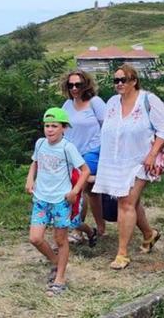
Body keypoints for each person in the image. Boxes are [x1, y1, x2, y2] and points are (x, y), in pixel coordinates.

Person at [93, 64, 164, 270]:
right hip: (114, 160)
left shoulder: (148, 100)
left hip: (140, 160)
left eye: (123, 80)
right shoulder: (111, 103)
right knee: (130, 202)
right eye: (116, 80)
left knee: (126, 203)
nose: (119, 84)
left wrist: (152, 154)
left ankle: (122, 253)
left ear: (134, 81)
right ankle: (149, 234)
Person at [25, 107, 93, 296]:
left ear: (64, 128)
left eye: (54, 126)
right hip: (41, 199)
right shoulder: (40, 144)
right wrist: (30, 178)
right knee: (35, 238)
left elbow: (85, 171)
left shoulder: (67, 147)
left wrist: (75, 191)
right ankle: (56, 262)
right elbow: (35, 162)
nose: (50, 130)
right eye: (47, 126)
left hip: (60, 201)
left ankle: (60, 278)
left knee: (60, 239)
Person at [60, 70, 107, 241]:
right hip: (73, 152)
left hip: (92, 150)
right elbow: (62, 128)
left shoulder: (95, 102)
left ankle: (78, 229)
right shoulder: (67, 105)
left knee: (79, 186)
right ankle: (100, 226)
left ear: (85, 85)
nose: (74, 88)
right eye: (70, 85)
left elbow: (106, 126)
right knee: (92, 192)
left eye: (78, 84)